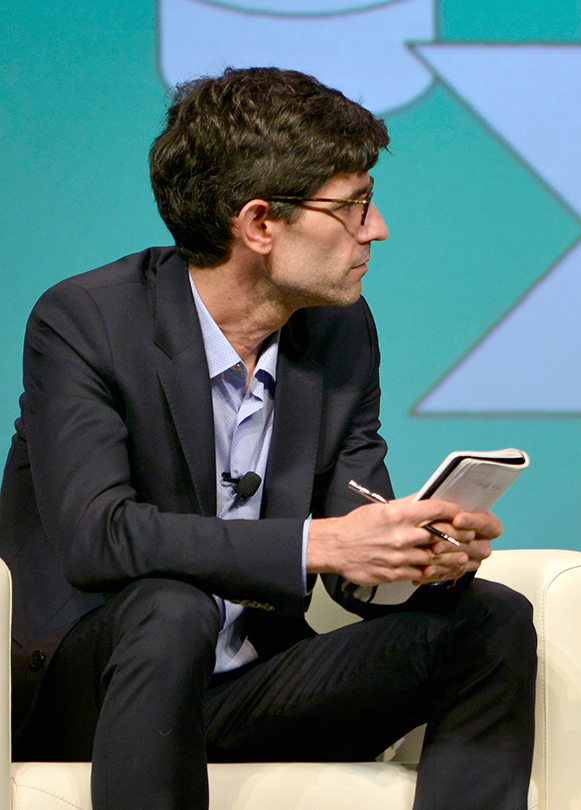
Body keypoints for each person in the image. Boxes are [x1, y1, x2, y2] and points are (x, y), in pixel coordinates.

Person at [0, 67, 537, 810]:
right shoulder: (87, 320)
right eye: (352, 207)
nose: (375, 229)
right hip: (103, 687)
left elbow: (355, 559)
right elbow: (99, 538)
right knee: (172, 608)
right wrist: (318, 545)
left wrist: (415, 559)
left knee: (489, 618)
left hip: (252, 685)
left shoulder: (340, 329)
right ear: (259, 225)